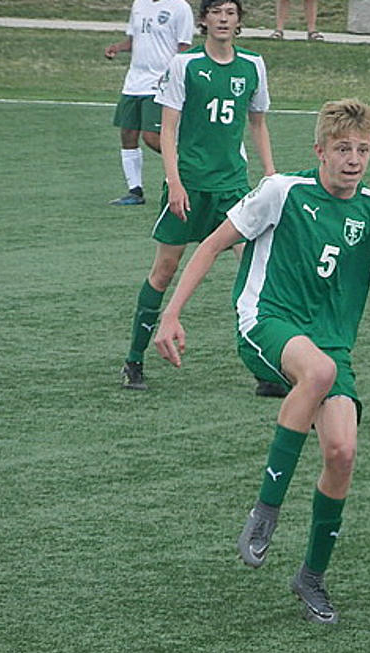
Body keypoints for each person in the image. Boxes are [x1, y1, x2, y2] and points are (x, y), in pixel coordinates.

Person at [153, 98, 370, 624]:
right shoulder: (282, 191)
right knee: (320, 372)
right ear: (320, 150)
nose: (353, 159)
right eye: (342, 149)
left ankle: (311, 576)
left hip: (330, 345)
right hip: (267, 321)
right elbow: (212, 246)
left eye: (362, 150)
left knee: (342, 452)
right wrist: (171, 314)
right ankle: (266, 510)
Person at [120, 0, 275, 391]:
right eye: (216, 13)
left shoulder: (253, 65)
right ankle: (134, 360)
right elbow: (167, 130)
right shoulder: (184, 65)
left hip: (233, 188)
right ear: (203, 19)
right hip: (189, 184)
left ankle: (267, 368)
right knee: (165, 271)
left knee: (256, 273)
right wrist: (174, 181)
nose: (223, 20)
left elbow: (257, 124)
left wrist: (271, 176)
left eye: (231, 13)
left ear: (239, 21)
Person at [105, 0, 194, 206]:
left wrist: (174, 76)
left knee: (152, 137)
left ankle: (190, 166)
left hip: (159, 82)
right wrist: (117, 48)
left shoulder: (179, 7)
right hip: (134, 81)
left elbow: (184, 48)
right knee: (127, 134)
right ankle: (135, 191)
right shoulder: (139, 4)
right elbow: (133, 39)